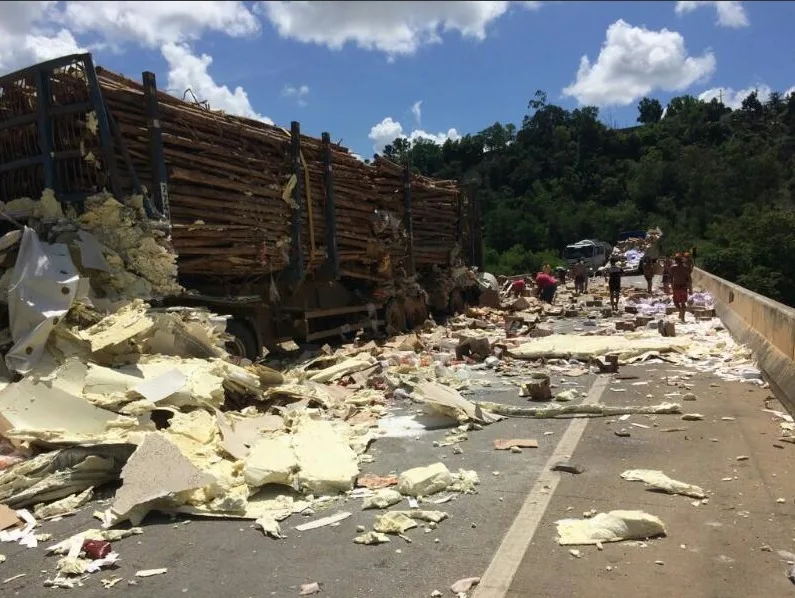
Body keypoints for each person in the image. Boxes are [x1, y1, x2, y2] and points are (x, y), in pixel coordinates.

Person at [670, 253, 692, 322]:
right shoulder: (685, 267)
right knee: (680, 302)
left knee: (678, 302)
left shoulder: (673, 267)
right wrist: (690, 289)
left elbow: (670, 278)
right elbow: (689, 279)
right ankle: (682, 314)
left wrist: (672, 286)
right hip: (681, 287)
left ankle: (681, 314)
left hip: (678, 286)